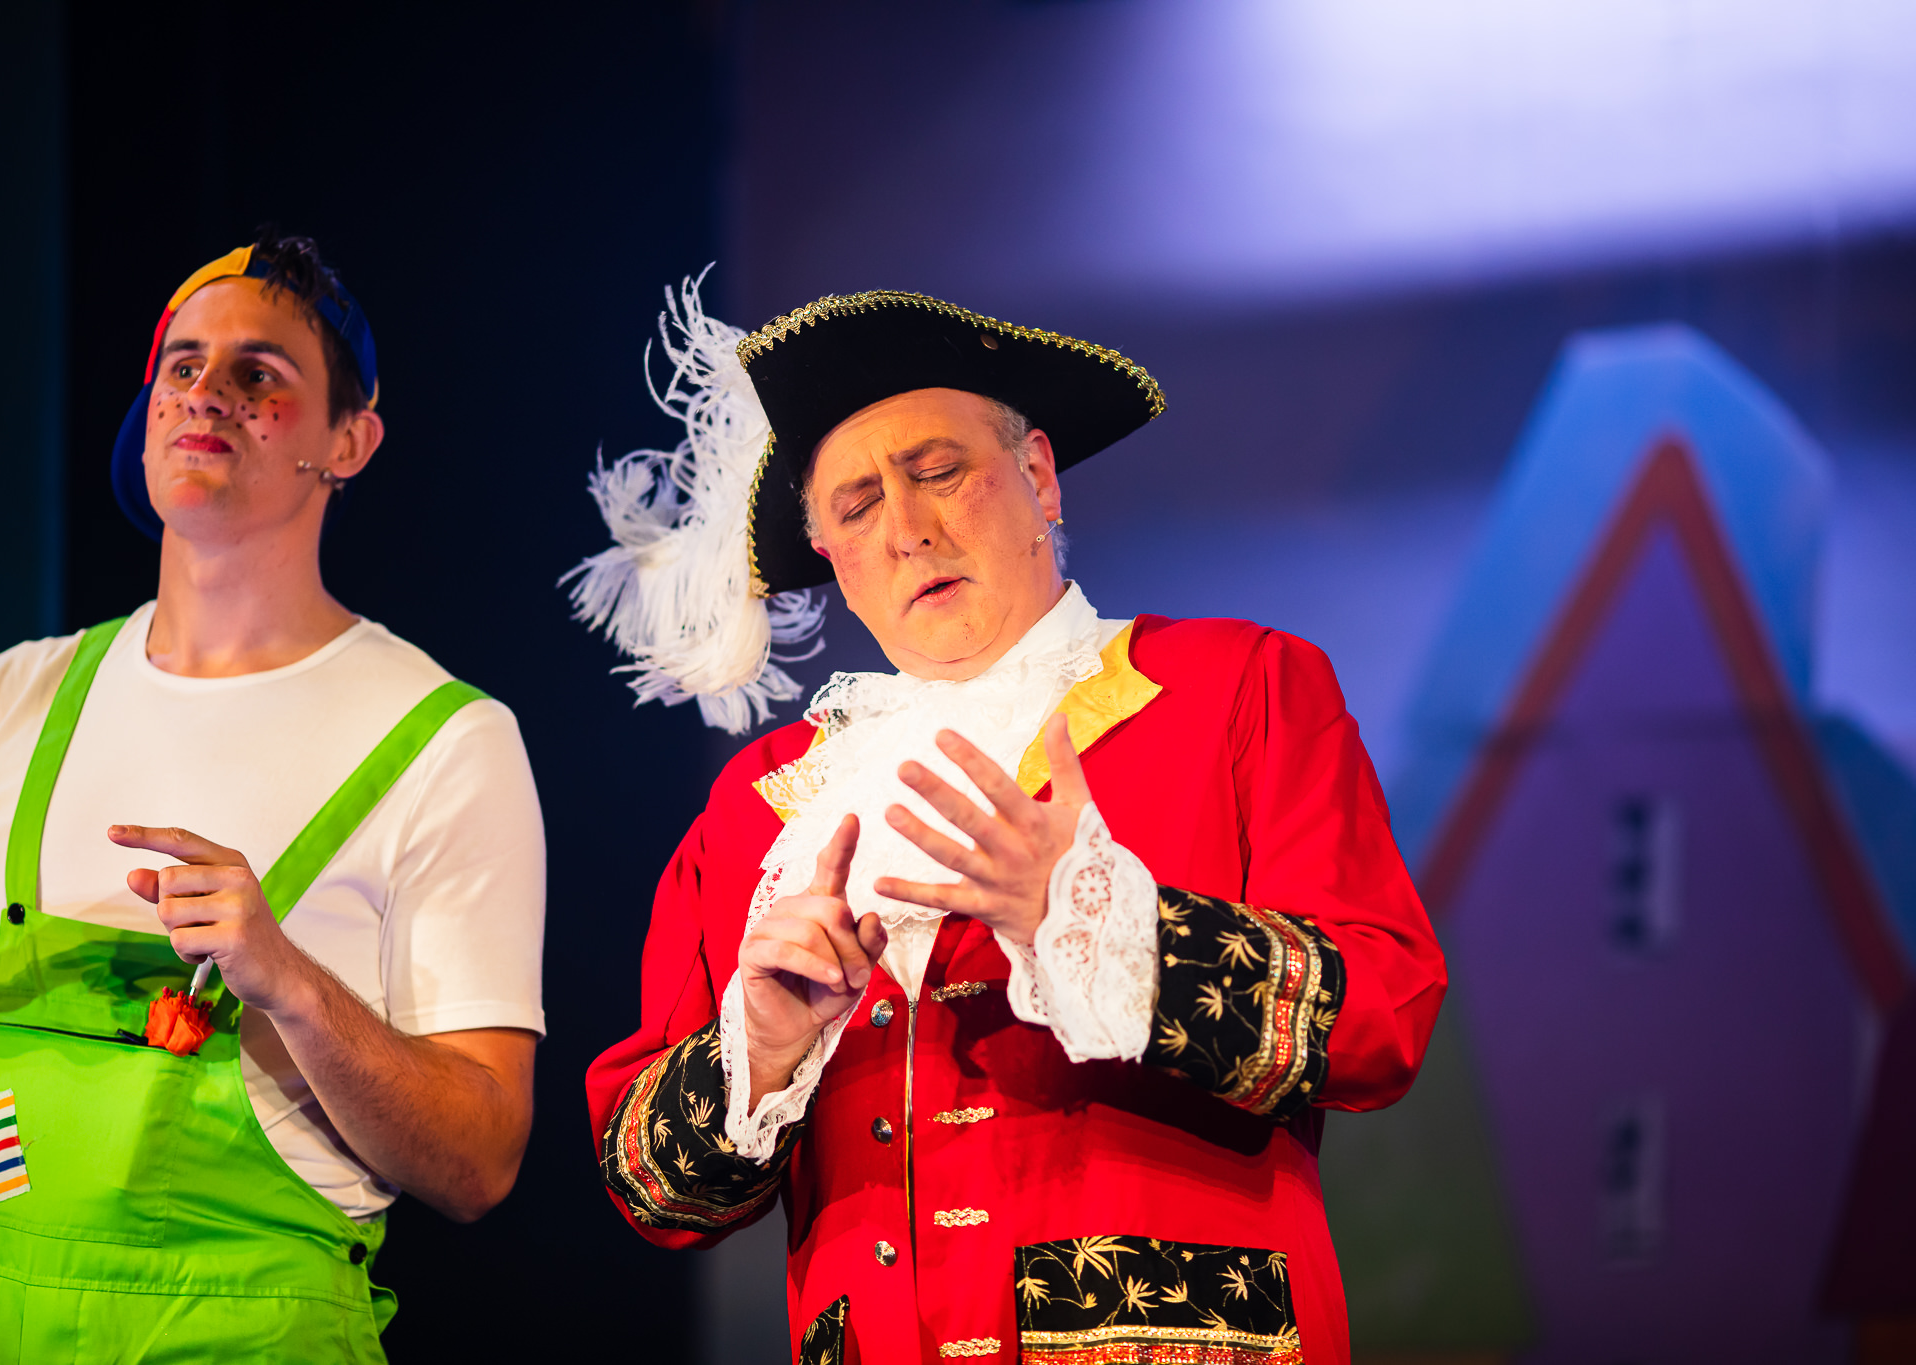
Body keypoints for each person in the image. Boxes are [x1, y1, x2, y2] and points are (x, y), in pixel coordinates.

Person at [577, 285, 1445, 1364]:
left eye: (938, 470)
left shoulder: (1239, 686)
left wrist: (1104, 925)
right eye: (857, 505)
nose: (907, 528)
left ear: (1037, 476)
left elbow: (1381, 1018)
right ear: (829, 553)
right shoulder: (763, 804)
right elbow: (649, 1192)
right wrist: (755, 1053)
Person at [0, 233, 546, 1363]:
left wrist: (290, 984)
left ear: (348, 441)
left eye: (259, 374)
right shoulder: (2, 703)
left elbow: (480, 1162)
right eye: (182, 366)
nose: (205, 394)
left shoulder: (447, 741)